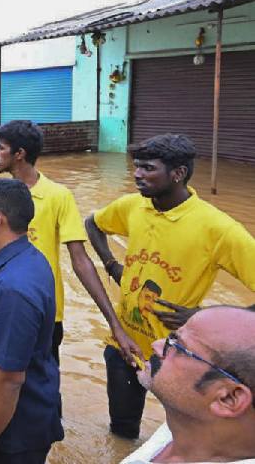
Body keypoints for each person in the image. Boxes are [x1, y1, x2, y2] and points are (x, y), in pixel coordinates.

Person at [85, 133, 255, 440]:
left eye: (148, 168)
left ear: (178, 174)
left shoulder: (218, 228)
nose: (137, 174)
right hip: (124, 344)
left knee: (189, 438)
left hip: (181, 357)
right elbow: (93, 223)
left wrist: (205, 316)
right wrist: (112, 265)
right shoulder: (134, 206)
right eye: (136, 166)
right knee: (122, 431)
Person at [0, 119, 138, 364]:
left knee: (44, 389)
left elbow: (80, 260)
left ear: (20, 154)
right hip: (2, 305)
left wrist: (114, 323)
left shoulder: (58, 196)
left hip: (43, 309)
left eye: (0, 148)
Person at [0, 179, 63, 464]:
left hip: (14, 432)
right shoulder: (14, 258)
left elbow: (8, 380)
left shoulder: (14, 289)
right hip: (5, 419)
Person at [121, 306, 255, 463]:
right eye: (171, 337)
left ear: (228, 398)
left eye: (179, 347)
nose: (156, 345)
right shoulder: (187, 422)